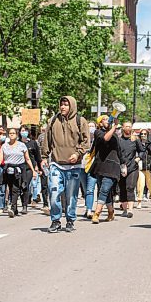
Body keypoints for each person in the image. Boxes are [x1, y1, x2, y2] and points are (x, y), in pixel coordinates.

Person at [41, 96, 90, 233]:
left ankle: (70, 220)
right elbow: (47, 141)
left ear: (72, 106)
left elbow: (86, 142)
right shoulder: (52, 121)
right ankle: (55, 220)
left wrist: (78, 154)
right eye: (61, 104)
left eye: (66, 105)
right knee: (54, 192)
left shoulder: (81, 121)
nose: (63, 107)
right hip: (56, 164)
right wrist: (44, 156)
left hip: (74, 166)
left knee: (71, 196)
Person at [0, 128, 37, 218]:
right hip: (8, 170)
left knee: (15, 189)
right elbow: (0, 158)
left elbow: (27, 159)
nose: (12, 134)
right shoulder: (4, 146)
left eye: (13, 133)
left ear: (17, 135)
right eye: (10, 133)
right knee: (10, 187)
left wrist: (33, 170)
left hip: (19, 170)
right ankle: (15, 208)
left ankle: (13, 208)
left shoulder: (22, 145)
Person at [90, 115, 122, 224]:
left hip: (112, 167)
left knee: (104, 189)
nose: (107, 121)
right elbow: (105, 138)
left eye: (108, 119)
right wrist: (114, 127)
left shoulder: (115, 136)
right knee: (104, 192)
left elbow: (119, 151)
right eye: (104, 119)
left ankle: (97, 213)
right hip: (100, 166)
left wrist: (123, 165)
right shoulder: (98, 132)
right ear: (99, 123)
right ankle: (111, 212)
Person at [118, 121, 145, 218]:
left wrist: (138, 158)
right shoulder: (119, 140)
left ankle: (130, 210)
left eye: (130, 126)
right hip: (121, 167)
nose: (128, 128)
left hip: (133, 167)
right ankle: (124, 209)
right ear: (123, 128)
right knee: (122, 188)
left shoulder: (135, 139)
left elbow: (142, 151)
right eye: (126, 126)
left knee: (130, 187)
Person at [19, 125, 42, 214]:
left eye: (25, 130)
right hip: (19, 167)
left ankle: (25, 206)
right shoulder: (17, 143)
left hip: (29, 168)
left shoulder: (33, 143)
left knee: (25, 185)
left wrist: (39, 168)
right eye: (22, 130)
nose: (23, 132)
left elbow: (37, 157)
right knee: (19, 187)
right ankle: (21, 203)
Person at [80, 120, 98, 219]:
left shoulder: (97, 140)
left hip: (93, 168)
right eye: (89, 126)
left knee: (90, 189)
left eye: (92, 126)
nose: (90, 128)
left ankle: (89, 210)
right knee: (85, 189)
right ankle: (88, 207)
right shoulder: (82, 139)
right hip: (82, 167)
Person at [136, 129, 151, 209]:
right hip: (140, 166)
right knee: (140, 184)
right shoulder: (137, 143)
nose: (143, 135)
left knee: (150, 185)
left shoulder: (150, 144)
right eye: (141, 134)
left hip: (149, 167)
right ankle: (139, 201)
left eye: (145, 134)